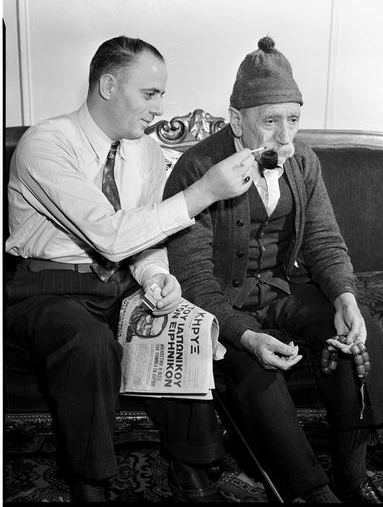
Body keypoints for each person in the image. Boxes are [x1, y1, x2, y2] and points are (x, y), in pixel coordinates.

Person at [5, 35, 256, 502]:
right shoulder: (45, 144)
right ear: (108, 85)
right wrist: (203, 191)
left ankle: (191, 466)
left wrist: (156, 276)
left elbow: (143, 238)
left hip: (119, 283)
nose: (159, 108)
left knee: (184, 322)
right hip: (46, 288)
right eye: (150, 93)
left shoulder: (145, 151)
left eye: (162, 94)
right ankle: (91, 482)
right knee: (87, 340)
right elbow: (109, 234)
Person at [164, 36, 383, 504]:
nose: (285, 137)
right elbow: (192, 276)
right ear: (237, 120)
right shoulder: (196, 168)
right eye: (270, 121)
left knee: (359, 331)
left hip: (282, 290)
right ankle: (311, 492)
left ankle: (352, 474)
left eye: (293, 119)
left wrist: (344, 297)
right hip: (222, 305)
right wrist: (243, 333)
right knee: (257, 373)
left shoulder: (303, 161)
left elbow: (324, 241)